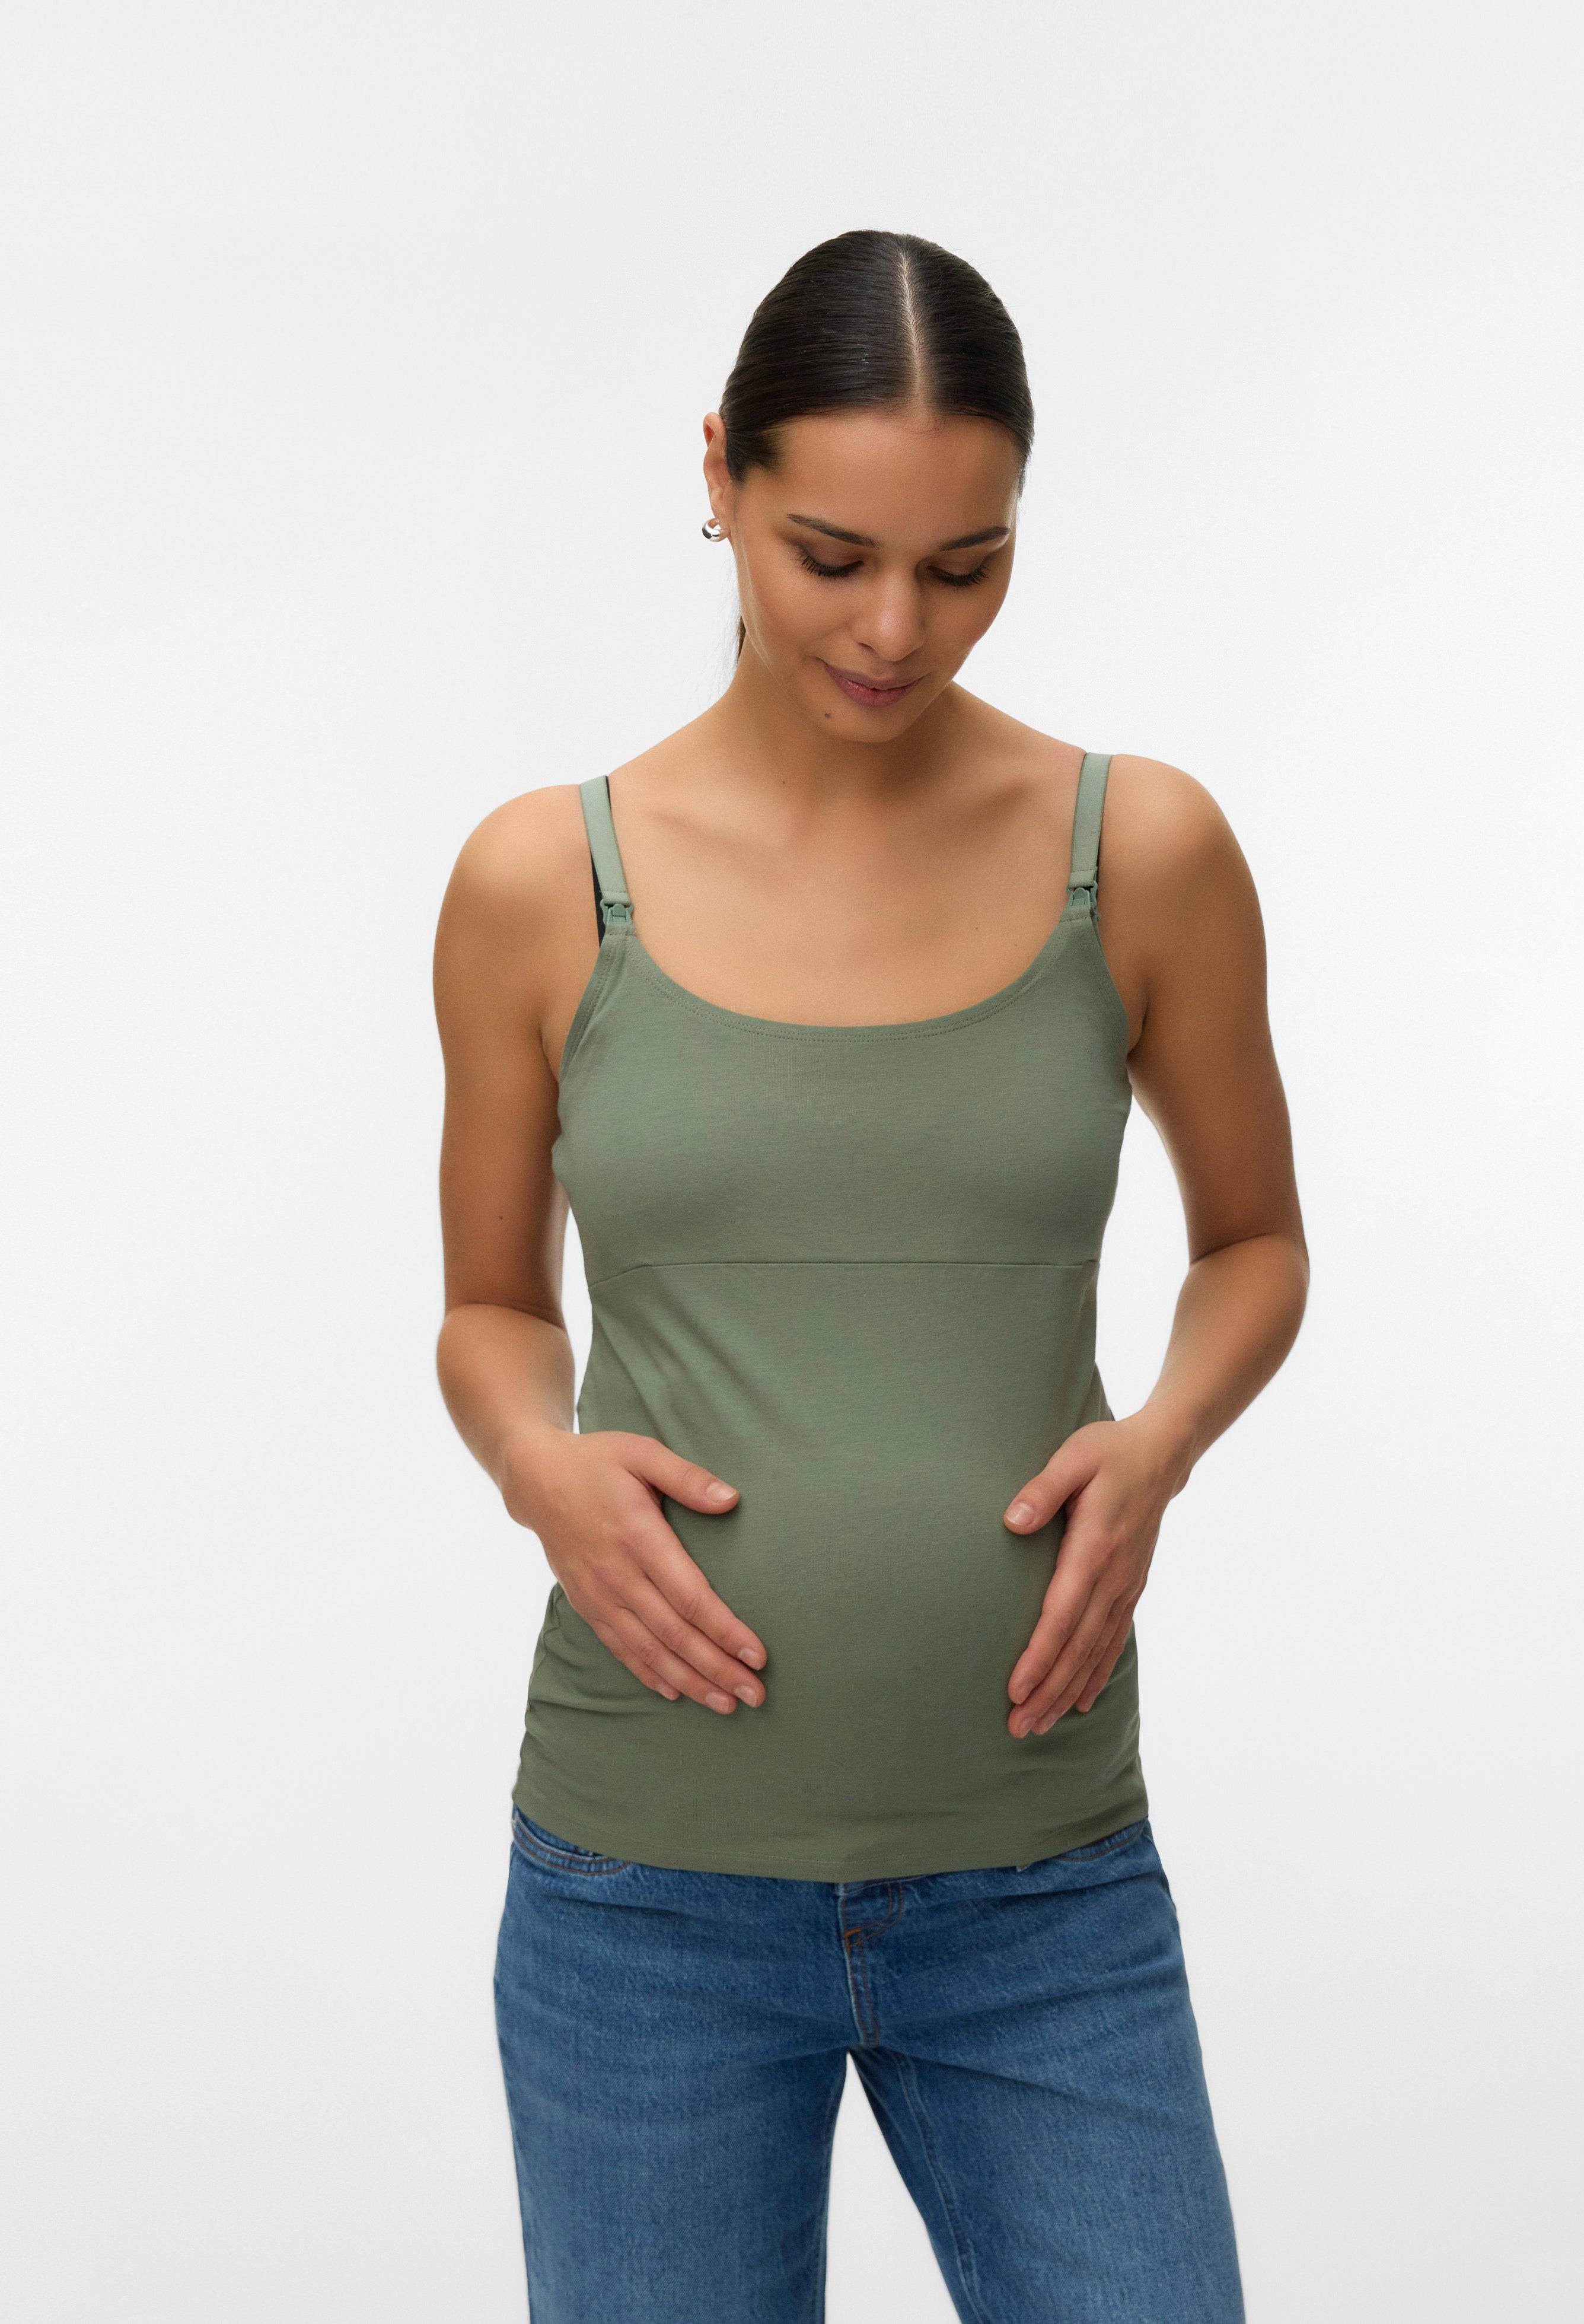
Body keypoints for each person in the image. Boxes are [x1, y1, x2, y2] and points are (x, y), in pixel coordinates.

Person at [433, 228, 1308, 2324]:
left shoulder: (1139, 851)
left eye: (965, 564)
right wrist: (538, 1466)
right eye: (829, 556)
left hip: (1041, 1883)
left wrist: (1160, 1441)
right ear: (717, 475)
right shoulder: (546, 880)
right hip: (642, 1892)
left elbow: (1254, 1244)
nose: (895, 628)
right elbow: (490, 1308)